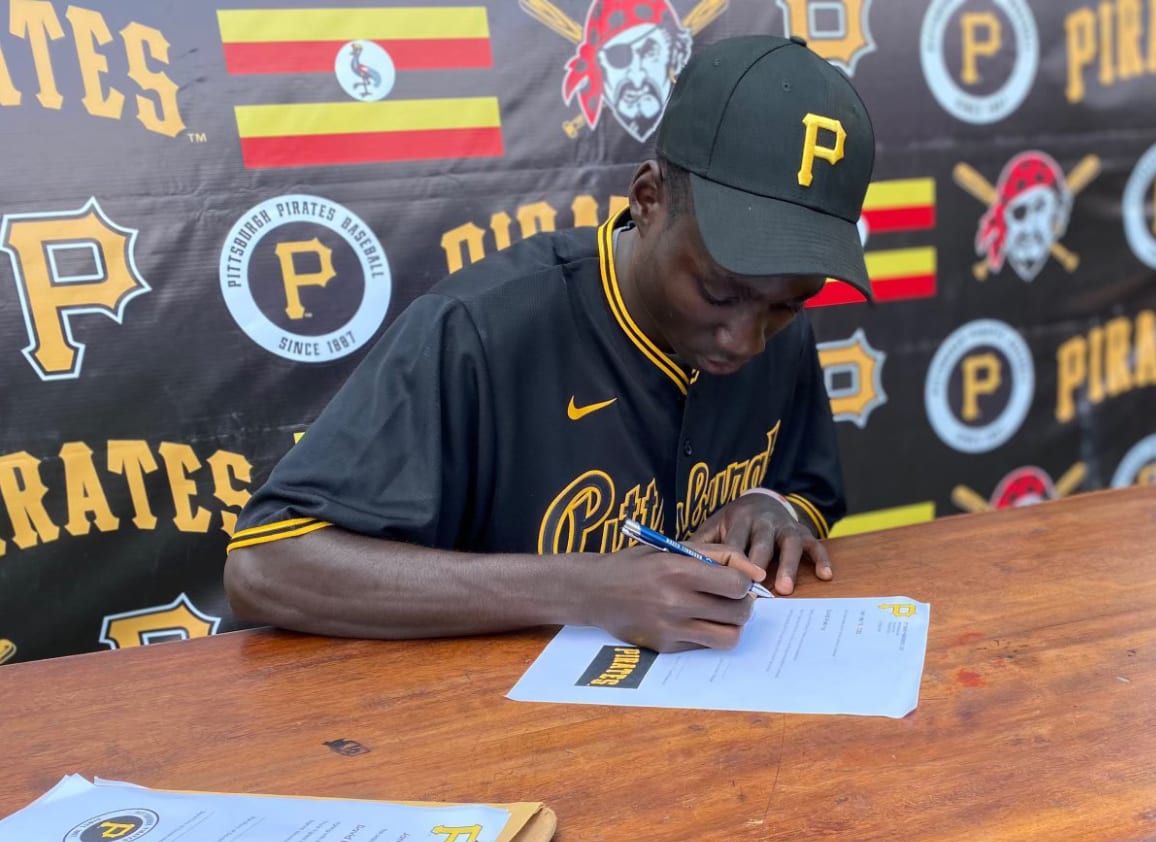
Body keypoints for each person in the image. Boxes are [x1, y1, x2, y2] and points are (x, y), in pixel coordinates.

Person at [223, 34, 876, 653]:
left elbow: (806, 487)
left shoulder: (769, 323)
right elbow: (268, 563)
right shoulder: (483, 328)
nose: (745, 339)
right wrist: (589, 587)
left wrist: (772, 508)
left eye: (788, 304)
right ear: (647, 200)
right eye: (717, 291)